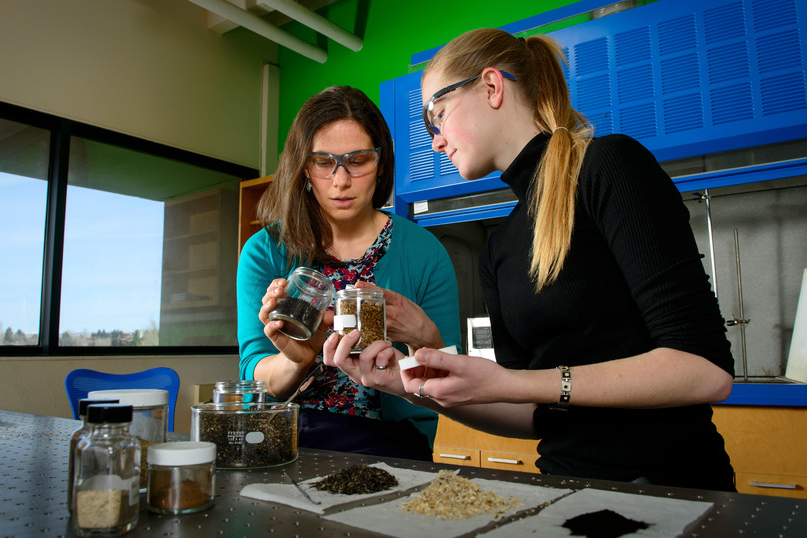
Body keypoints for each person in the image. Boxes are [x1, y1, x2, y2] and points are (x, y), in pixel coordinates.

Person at [324, 29, 737, 491]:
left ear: (491, 87)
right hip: (564, 492)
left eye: (436, 116)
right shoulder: (501, 247)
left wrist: (515, 383)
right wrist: (404, 384)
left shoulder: (609, 167)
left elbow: (705, 370)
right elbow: (532, 415)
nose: (436, 142)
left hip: (671, 489)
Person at [237, 85, 461, 461]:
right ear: (304, 167)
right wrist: (297, 359)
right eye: (324, 162)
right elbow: (255, 373)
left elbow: (450, 382)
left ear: (382, 162)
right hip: (289, 444)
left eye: (358, 160)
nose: (341, 181)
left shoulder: (425, 254)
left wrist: (426, 340)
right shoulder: (265, 251)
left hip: (395, 449)